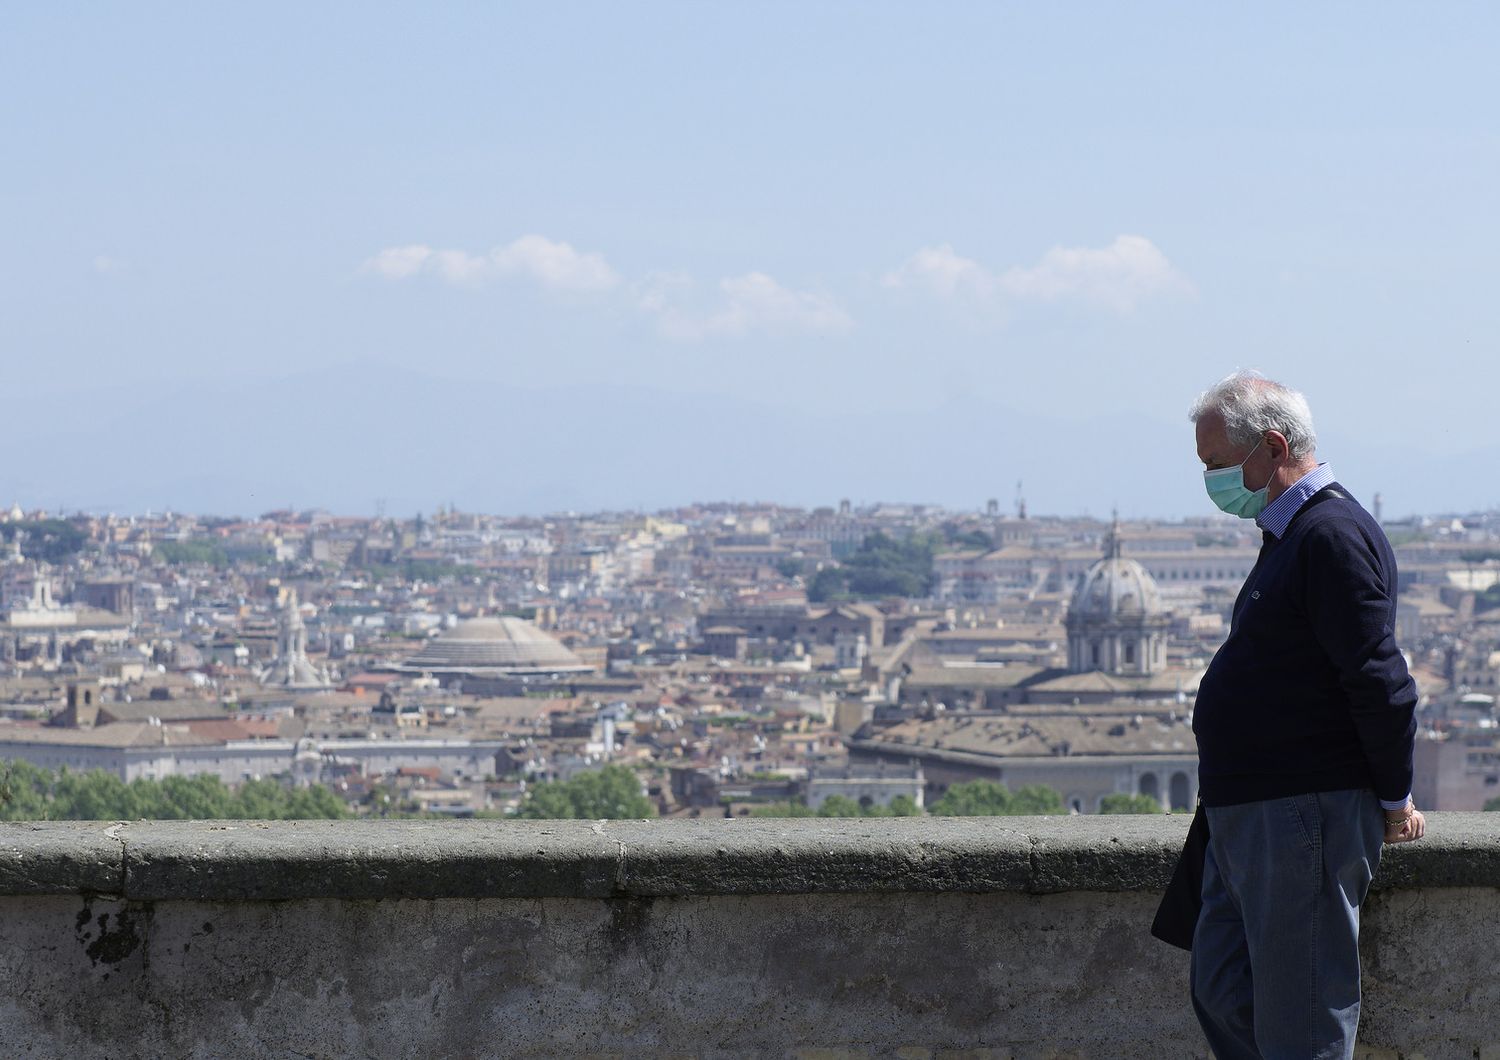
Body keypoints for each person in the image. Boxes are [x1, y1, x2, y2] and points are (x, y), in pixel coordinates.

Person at [1186, 370, 1425, 1059]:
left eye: (1217, 466)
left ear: (1270, 446)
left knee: (1302, 1024)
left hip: (1302, 812)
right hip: (1253, 811)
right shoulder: (1293, 535)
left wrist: (1393, 795)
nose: (1210, 483)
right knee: (1224, 991)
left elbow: (1380, 679)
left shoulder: (1331, 536)